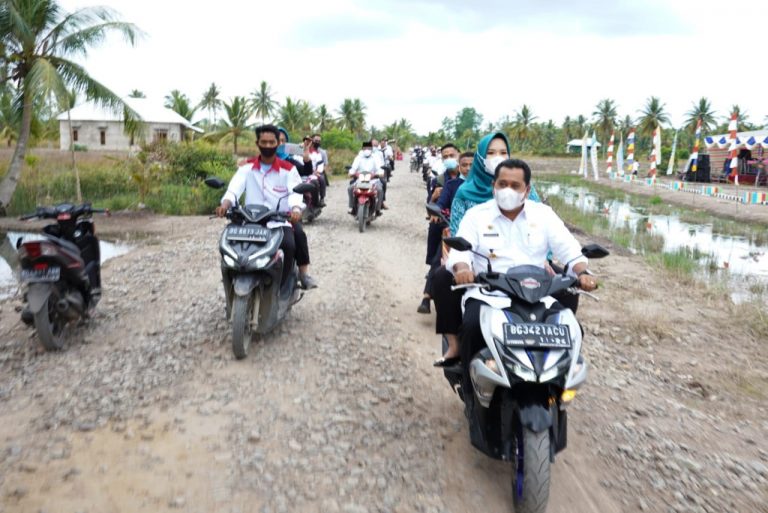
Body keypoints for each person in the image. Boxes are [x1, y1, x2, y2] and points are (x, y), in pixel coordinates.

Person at [445, 159, 598, 383]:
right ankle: (469, 388)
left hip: (537, 294)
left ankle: (557, 386)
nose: (508, 190)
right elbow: (461, 251)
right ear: (493, 186)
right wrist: (463, 269)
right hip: (489, 294)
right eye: (502, 184)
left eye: (515, 186)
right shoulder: (477, 216)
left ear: (526, 190)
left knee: (571, 331)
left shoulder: (543, 215)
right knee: (471, 328)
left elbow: (569, 248)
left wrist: (583, 272)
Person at [432, 132, 542, 365]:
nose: (498, 157)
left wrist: (550, 263)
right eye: (491, 153)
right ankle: (455, 347)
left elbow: (549, 232)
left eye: (503, 152)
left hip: (524, 271)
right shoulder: (467, 196)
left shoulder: (531, 197)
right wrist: (463, 265)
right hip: (482, 270)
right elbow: (459, 232)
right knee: (442, 277)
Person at [216, 124, 317, 289]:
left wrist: (296, 209)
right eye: (264, 142)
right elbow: (233, 190)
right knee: (227, 243)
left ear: (278, 143)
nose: (268, 146)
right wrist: (225, 204)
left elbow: (295, 193)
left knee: (290, 244)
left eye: (272, 142)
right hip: (250, 222)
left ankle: (284, 286)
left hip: (278, 221)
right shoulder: (246, 168)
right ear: (257, 143)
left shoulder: (288, 169)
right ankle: (233, 276)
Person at [348, 141, 385, 216]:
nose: (367, 150)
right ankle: (352, 208)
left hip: (373, 180)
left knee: (380, 190)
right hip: (360, 180)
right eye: (365, 148)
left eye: (369, 148)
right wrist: (352, 173)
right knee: (350, 189)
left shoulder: (376, 157)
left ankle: (378, 209)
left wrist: (378, 174)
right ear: (362, 149)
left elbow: (380, 169)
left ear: (371, 149)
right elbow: (353, 168)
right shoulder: (358, 158)